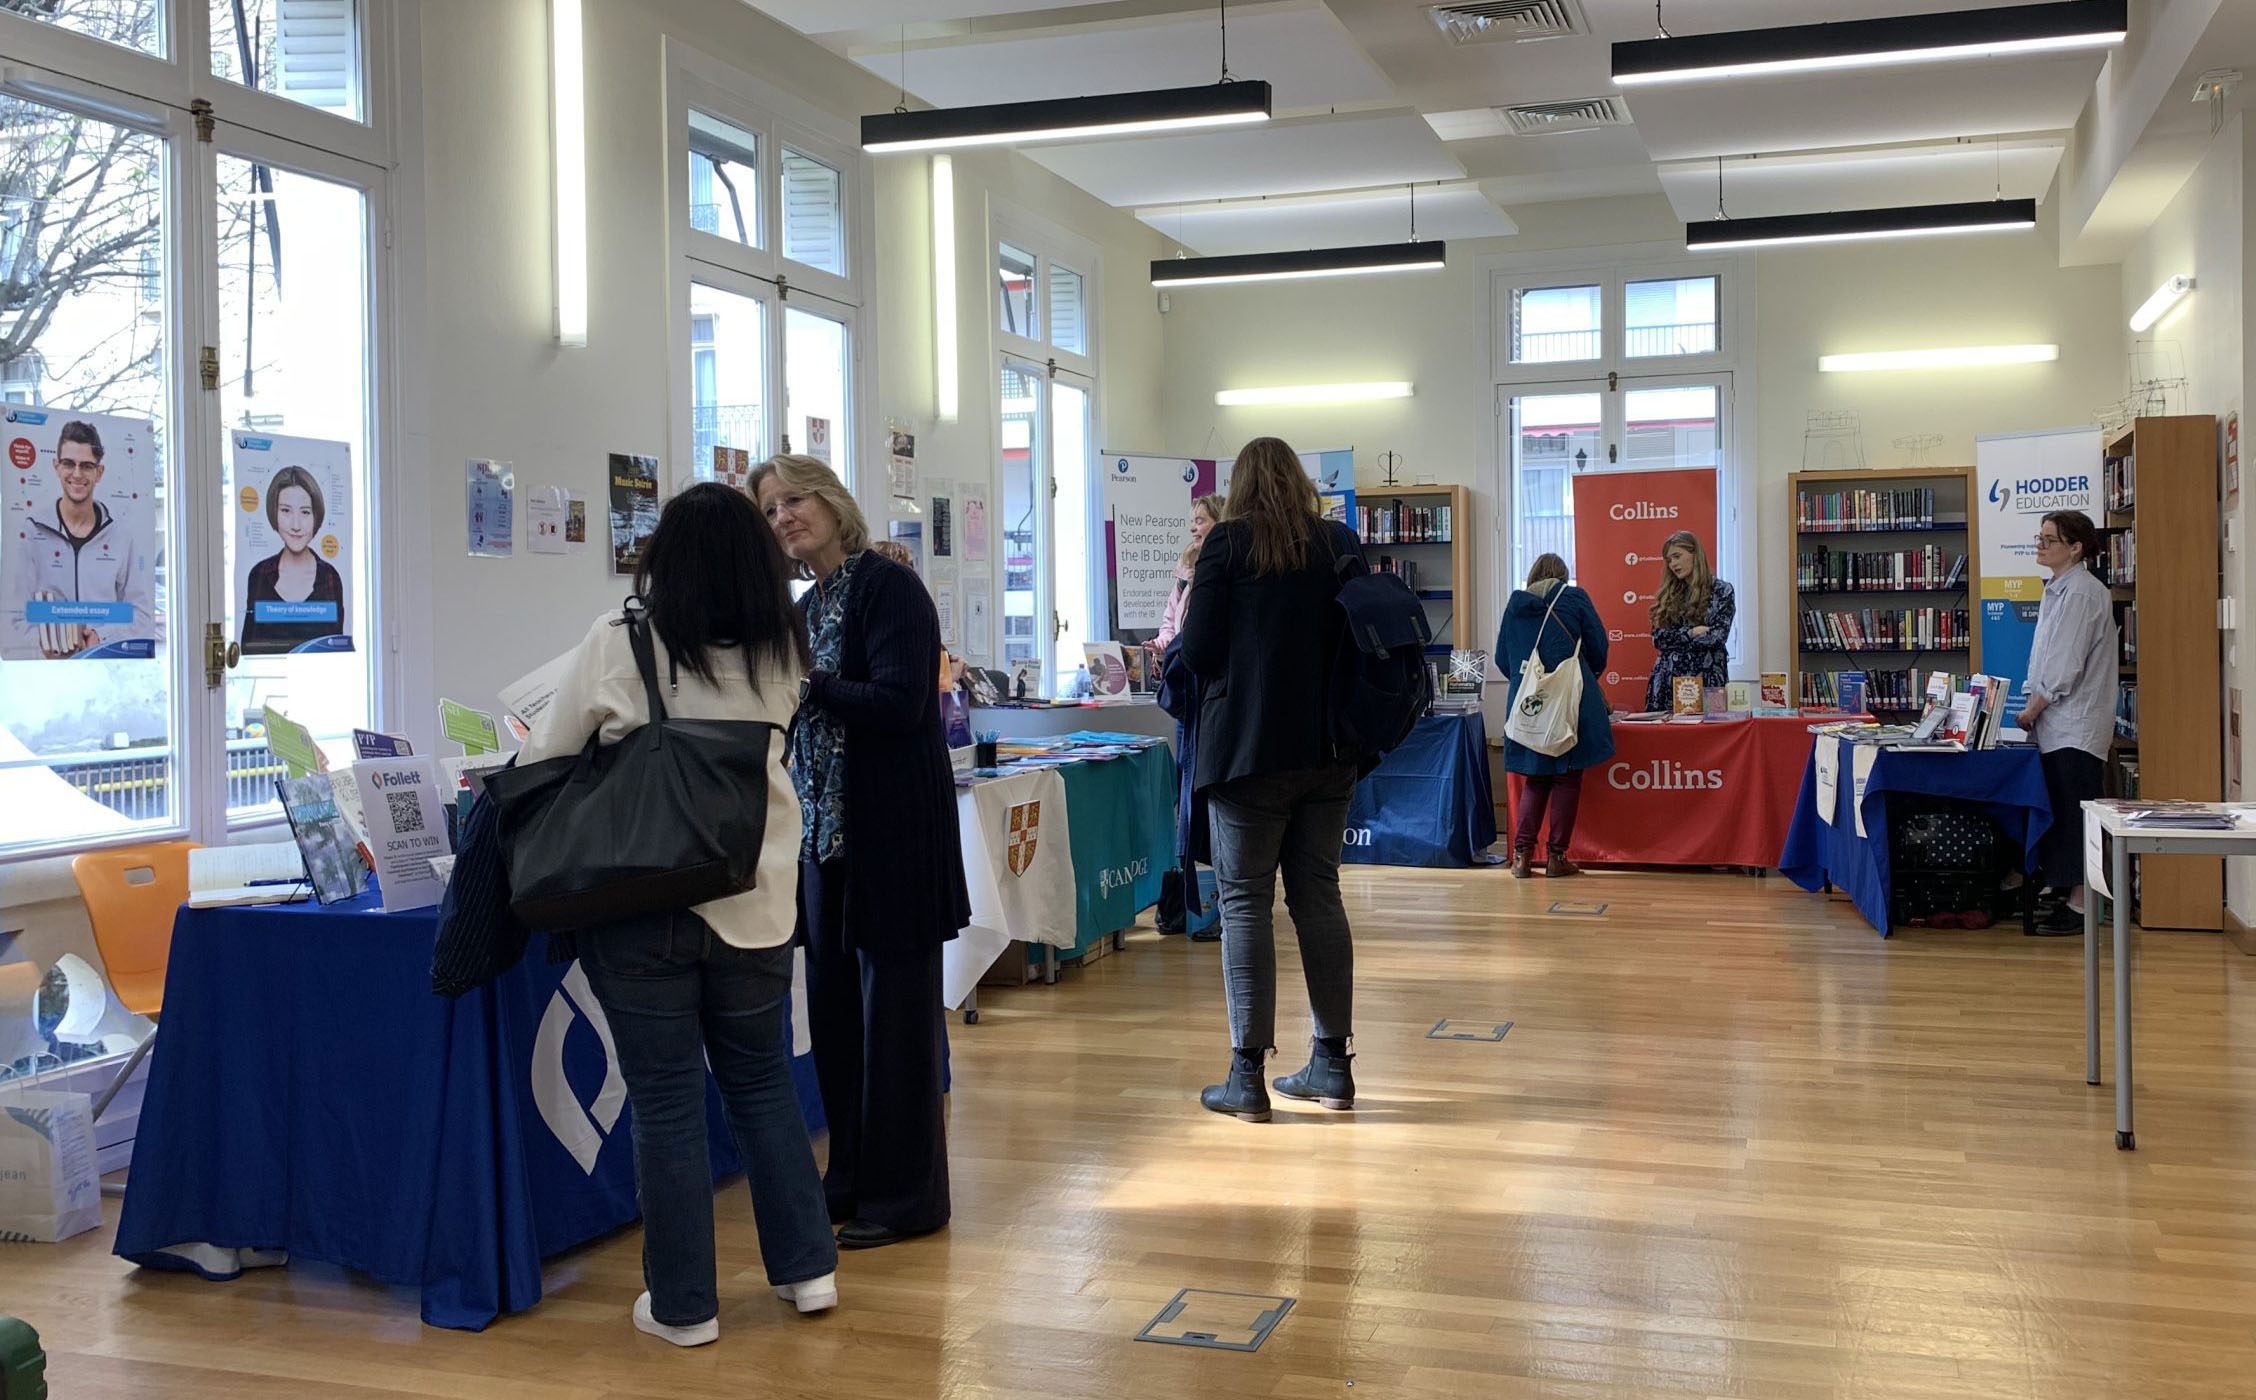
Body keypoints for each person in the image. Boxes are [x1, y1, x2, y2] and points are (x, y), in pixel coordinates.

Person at [515, 482, 837, 1348]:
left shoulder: (621, 640)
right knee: (762, 1085)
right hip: (758, 897)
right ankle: (808, 1269)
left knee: (663, 1102)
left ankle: (685, 1306)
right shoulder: (784, 650)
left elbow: (546, 754)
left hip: (645, 899)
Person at [752, 453, 967, 1249]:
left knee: (897, 1033)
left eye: (795, 500)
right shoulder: (808, 607)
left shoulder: (889, 588)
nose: (784, 518)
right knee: (839, 1025)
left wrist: (809, 686)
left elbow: (900, 701)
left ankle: (907, 1200)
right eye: (771, 510)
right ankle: (848, 1180)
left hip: (893, 844)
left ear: (836, 504)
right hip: (825, 846)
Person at [1180, 437, 1364, 1123]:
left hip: (1249, 754)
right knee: (1318, 896)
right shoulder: (1338, 543)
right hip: (1329, 751)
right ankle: (1332, 1066)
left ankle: (1247, 1078)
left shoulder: (1228, 546)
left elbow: (1197, 652)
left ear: (1241, 486)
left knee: (1245, 905)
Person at [2017, 509, 2118, 936]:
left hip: (2073, 724)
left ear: (2075, 548)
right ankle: (2063, 888)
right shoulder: (2057, 588)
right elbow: (2043, 654)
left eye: (2049, 539)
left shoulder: (2080, 594)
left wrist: (2034, 708)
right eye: (2038, 537)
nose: (2039, 545)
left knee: (2076, 812)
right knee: (2058, 809)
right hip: (2056, 724)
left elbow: (2064, 665)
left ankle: (2081, 905)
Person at [1497, 554, 1614, 880]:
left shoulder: (1514, 605)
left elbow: (1501, 658)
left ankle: (1521, 857)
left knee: (1536, 777)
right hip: (1569, 702)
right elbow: (1599, 648)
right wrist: (1580, 676)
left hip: (1528, 704)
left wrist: (1532, 683)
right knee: (1566, 776)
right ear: (1563, 576)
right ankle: (1556, 858)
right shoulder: (1575, 599)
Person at [7, 418, 151, 658]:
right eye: (68, 464)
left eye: (86, 466)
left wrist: (100, 635)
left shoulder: (122, 537)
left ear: (99, 472)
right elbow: (13, 616)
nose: (77, 474)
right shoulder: (31, 534)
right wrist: (42, 647)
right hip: (46, 677)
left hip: (103, 669)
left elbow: (142, 615)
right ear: (56, 467)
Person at [240, 464, 348, 655]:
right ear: (274, 513)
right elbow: (248, 649)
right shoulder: (259, 574)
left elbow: (336, 648)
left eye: (305, 512)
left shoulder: (330, 576)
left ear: (316, 516)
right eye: (286, 511)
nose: (296, 525)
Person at [1645, 530, 1734, 713]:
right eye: (1669, 560)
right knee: (1665, 739)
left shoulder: (1722, 591)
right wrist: (1691, 633)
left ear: (1695, 554)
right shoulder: (1668, 594)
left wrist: (1675, 640)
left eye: (1677, 556)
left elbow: (1717, 637)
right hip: (1668, 681)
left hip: (1709, 679)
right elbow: (1658, 639)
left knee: (1712, 738)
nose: (1673, 564)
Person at [1153, 493, 1225, 651]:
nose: (1192, 528)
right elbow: (1170, 620)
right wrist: (1164, 644)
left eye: (1199, 521)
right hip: (1184, 666)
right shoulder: (1185, 565)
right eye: (1192, 522)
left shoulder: (1227, 569)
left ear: (1220, 524)